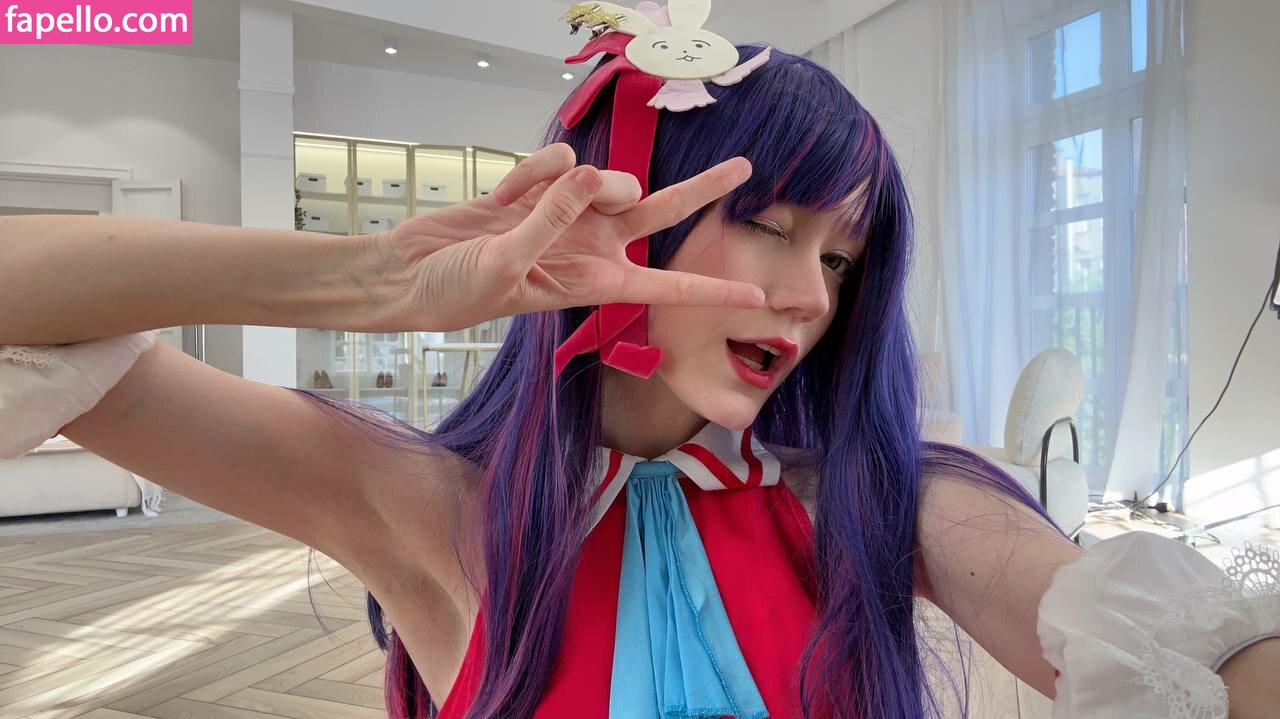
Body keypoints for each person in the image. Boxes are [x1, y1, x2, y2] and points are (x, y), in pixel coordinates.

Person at [1, 6, 1277, 719]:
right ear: (630, 203)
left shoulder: (885, 499)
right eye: (767, 222)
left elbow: (1200, 663)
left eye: (841, 257)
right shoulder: (423, 508)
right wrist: (375, 279)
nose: (808, 295)